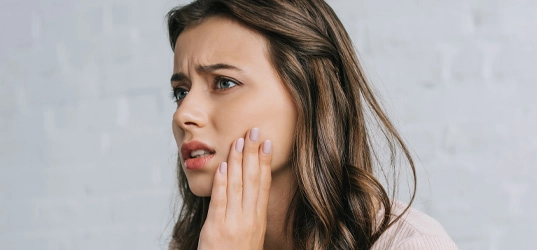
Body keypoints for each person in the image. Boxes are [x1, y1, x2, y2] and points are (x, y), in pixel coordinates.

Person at [166, 0, 458, 249]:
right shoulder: (195, 243)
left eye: (224, 82)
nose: (183, 115)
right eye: (181, 92)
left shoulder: (410, 244)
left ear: (308, 93)